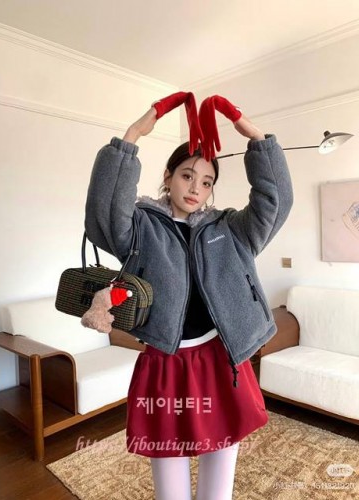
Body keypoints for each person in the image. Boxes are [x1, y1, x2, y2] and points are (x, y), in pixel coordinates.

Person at [84, 99, 293, 500]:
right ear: (168, 176)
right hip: (165, 363)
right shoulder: (140, 227)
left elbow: (276, 202)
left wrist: (257, 139)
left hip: (220, 361)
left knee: (218, 488)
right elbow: (104, 213)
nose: (196, 188)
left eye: (207, 182)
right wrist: (131, 137)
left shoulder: (232, 229)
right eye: (187, 175)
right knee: (171, 490)